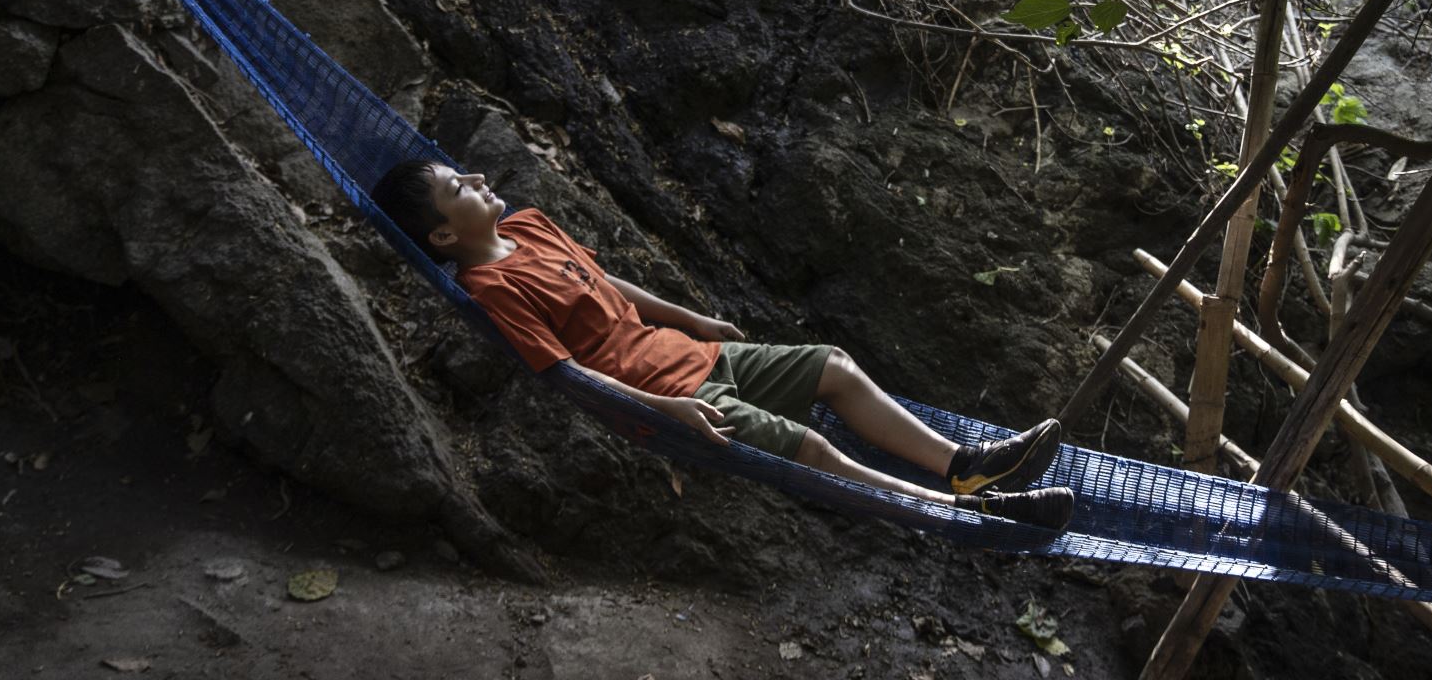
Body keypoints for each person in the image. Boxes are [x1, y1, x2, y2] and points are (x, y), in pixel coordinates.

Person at [370, 160, 1076, 531]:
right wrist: (664, 410)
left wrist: (697, 320)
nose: (479, 179)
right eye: (460, 186)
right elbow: (564, 373)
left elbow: (606, 277)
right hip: (671, 397)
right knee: (809, 449)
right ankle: (961, 513)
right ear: (441, 236)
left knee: (832, 364)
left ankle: (961, 466)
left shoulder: (527, 224)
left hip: (689, 353)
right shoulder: (490, 288)